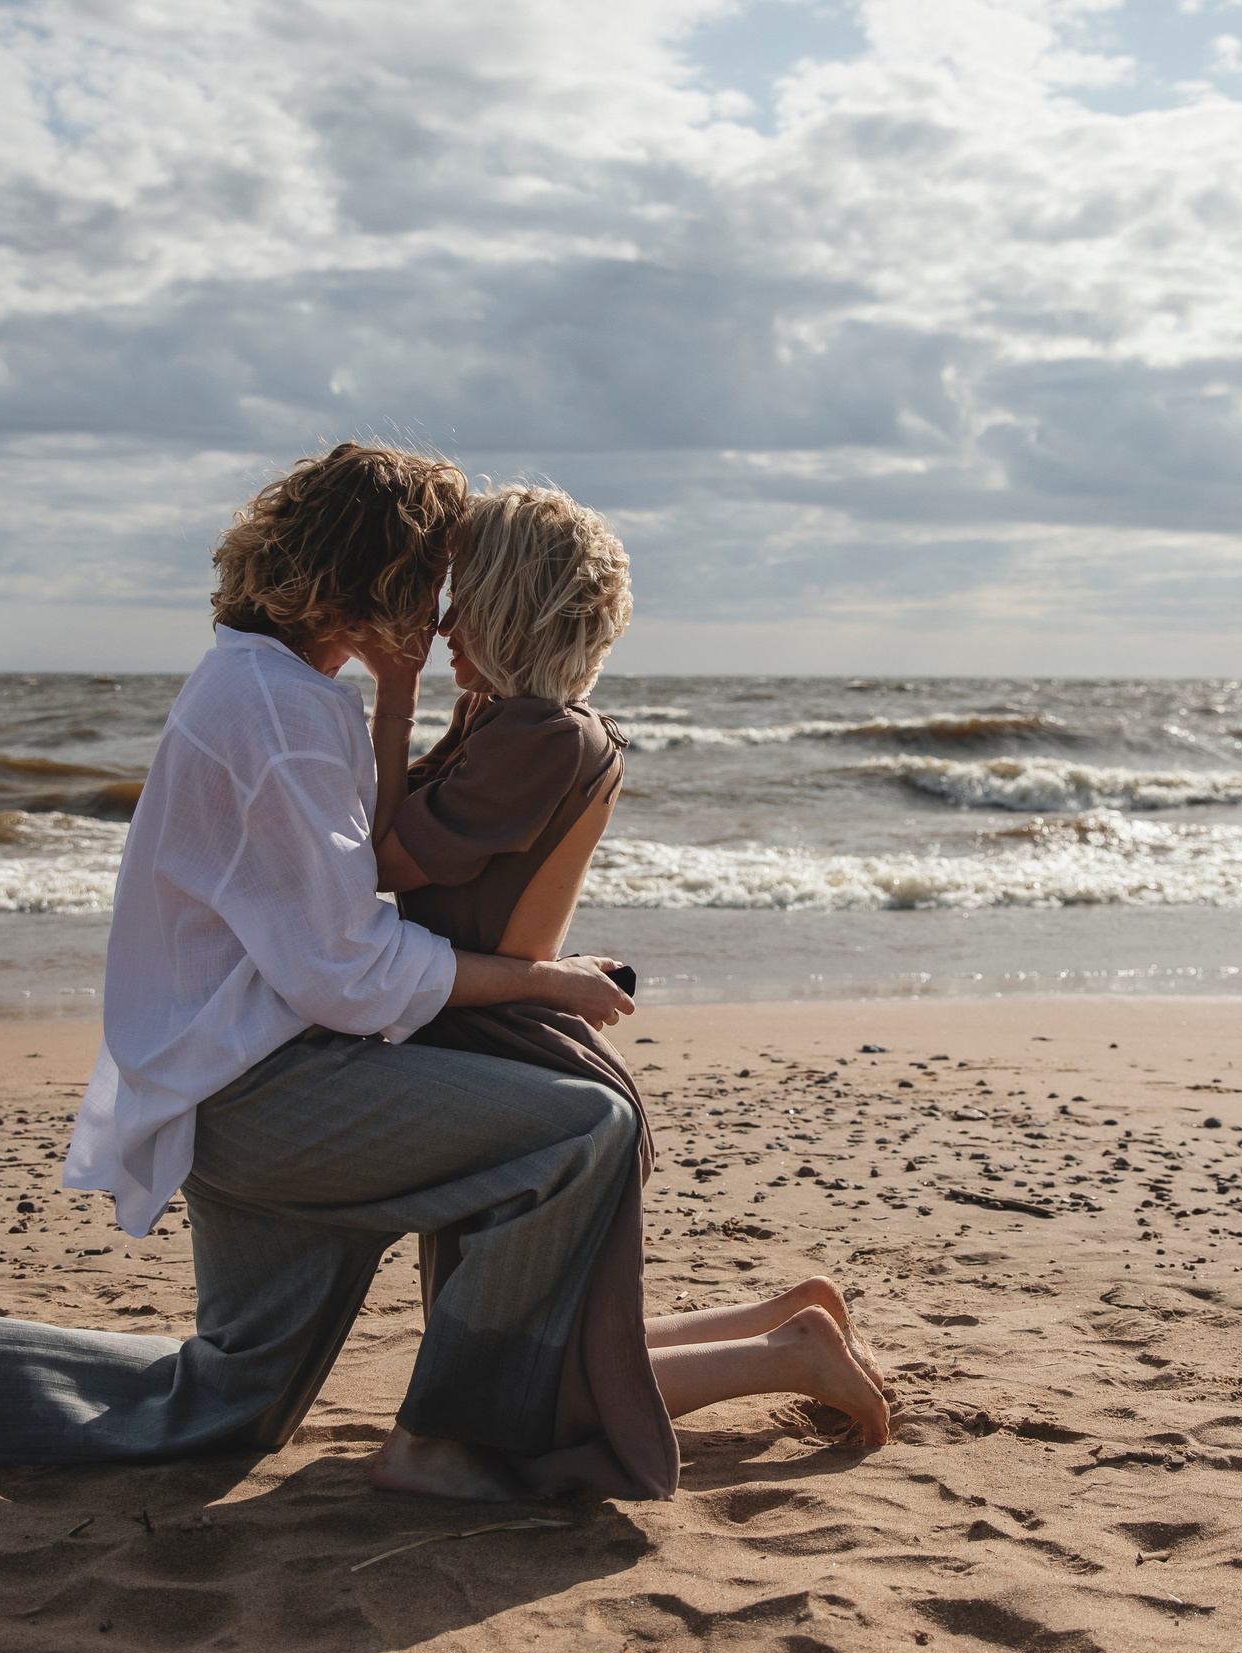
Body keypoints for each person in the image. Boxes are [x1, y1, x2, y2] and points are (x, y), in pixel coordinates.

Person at [0, 444, 885, 1502]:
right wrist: (546, 982)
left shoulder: (273, 688)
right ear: (383, 575)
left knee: (233, 1394)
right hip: (263, 1088)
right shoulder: (282, 716)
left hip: (231, 1069)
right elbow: (347, 967)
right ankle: (449, 1439)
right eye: (435, 580)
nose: (440, 616)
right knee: (582, 1129)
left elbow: (345, 917)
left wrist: (395, 707)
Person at [378, 485, 891, 1494]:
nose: (436, 624)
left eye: (458, 596)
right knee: (536, 1346)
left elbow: (379, 854)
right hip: (498, 1031)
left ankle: (783, 1358)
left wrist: (393, 695)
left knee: (535, 1384)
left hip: (500, 1048)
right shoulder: (522, 723)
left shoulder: (538, 736)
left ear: (508, 606)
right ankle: (776, 1324)